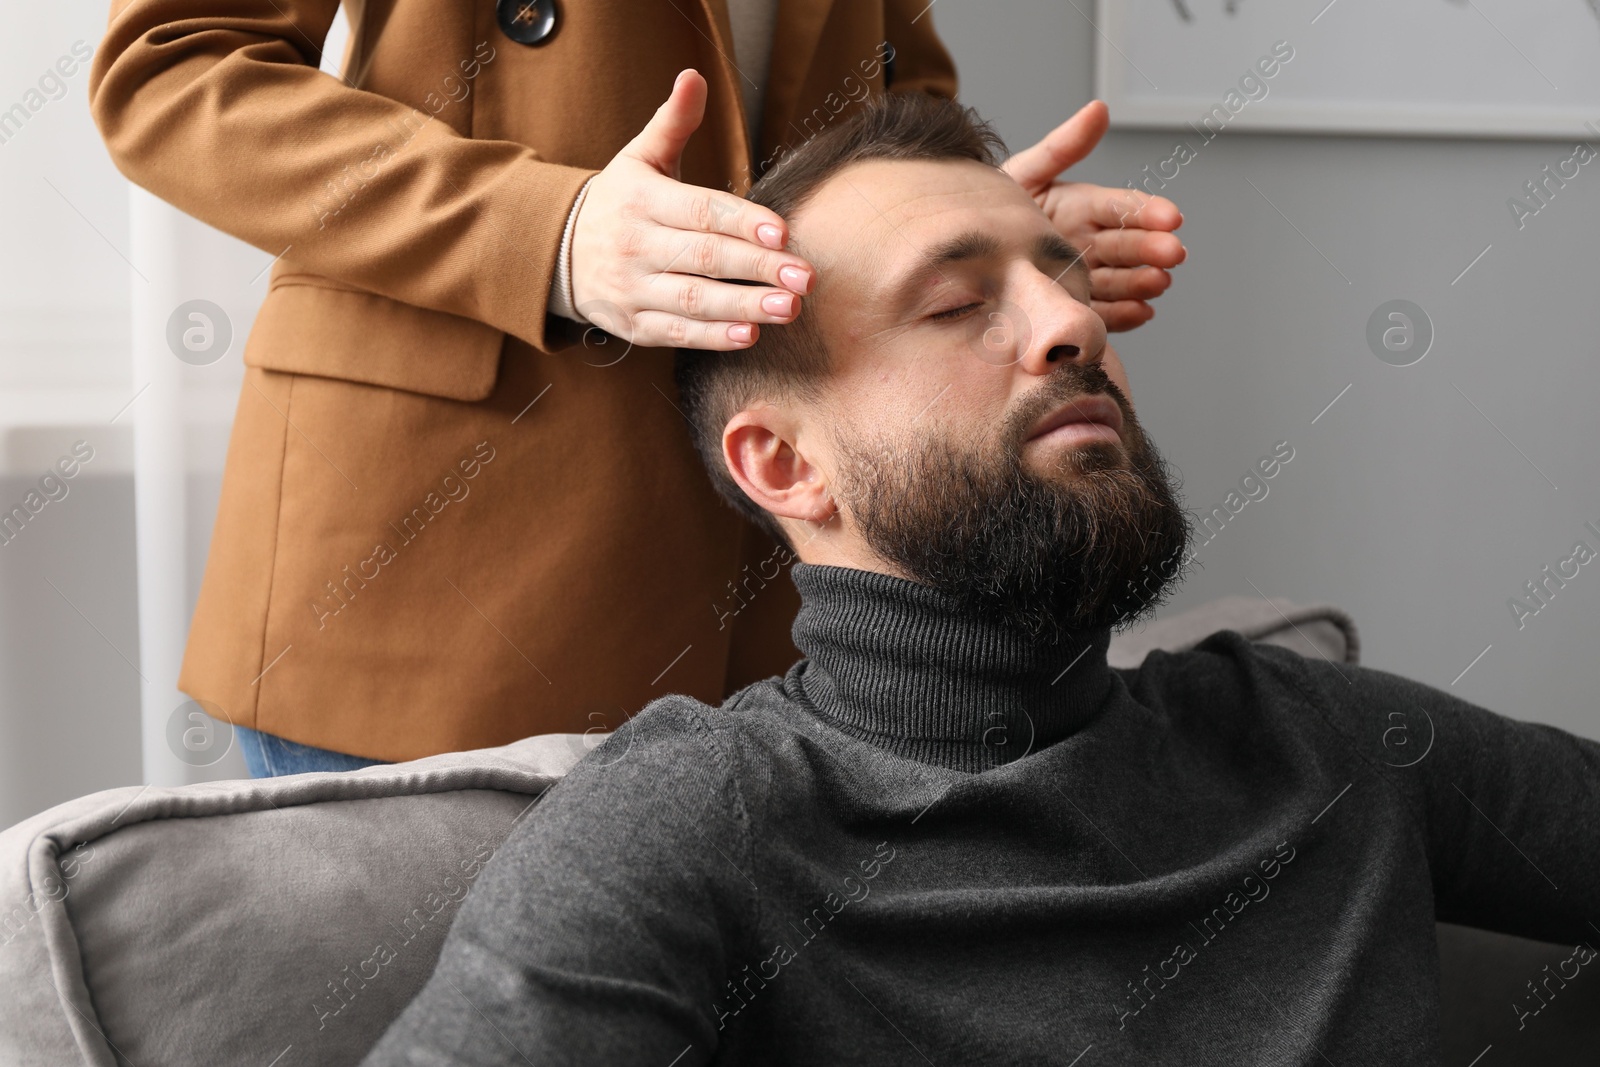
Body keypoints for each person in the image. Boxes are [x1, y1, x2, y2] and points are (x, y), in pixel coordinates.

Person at [359, 93, 1600, 1065]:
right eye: (957, 302)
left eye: (1063, 279)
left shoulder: (1320, 739)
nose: (1078, 328)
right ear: (785, 463)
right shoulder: (695, 826)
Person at [87, 0, 1186, 776]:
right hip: (430, 564)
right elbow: (168, 69)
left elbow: (882, 98)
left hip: (784, 574)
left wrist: (971, 243)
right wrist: (545, 233)